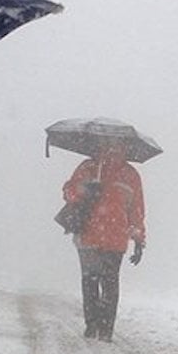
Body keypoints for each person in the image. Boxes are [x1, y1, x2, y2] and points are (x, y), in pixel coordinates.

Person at [61, 136, 146, 341]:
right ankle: (102, 328)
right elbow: (136, 212)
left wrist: (82, 190)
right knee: (107, 283)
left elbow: (68, 192)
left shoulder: (89, 167)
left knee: (94, 282)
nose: (113, 149)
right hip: (106, 238)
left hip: (91, 237)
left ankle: (96, 327)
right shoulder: (126, 174)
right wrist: (137, 238)